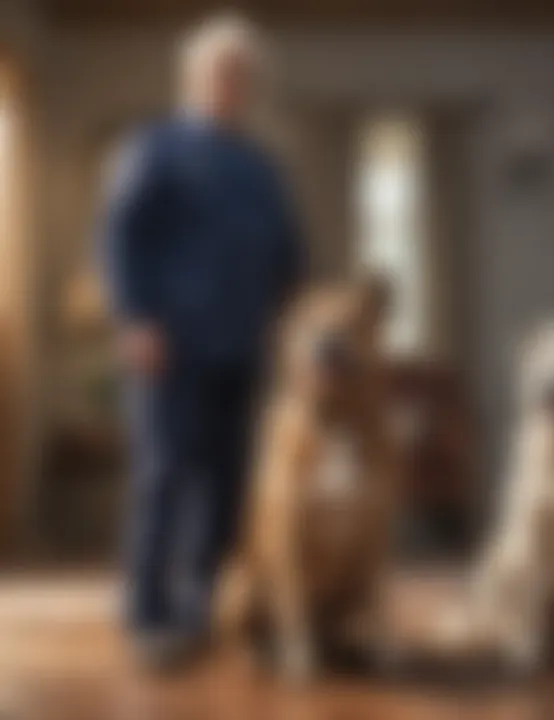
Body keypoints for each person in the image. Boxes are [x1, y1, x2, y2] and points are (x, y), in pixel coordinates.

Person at [101, 14, 304, 669]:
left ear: (252, 85)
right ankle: (147, 615)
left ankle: (202, 610)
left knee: (227, 482)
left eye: (242, 73)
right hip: (171, 345)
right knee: (164, 477)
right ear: (192, 77)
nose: (231, 82)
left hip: (241, 347)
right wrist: (136, 319)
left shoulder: (261, 165)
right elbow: (119, 237)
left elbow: (289, 256)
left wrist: (293, 327)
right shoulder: (153, 147)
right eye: (220, 70)